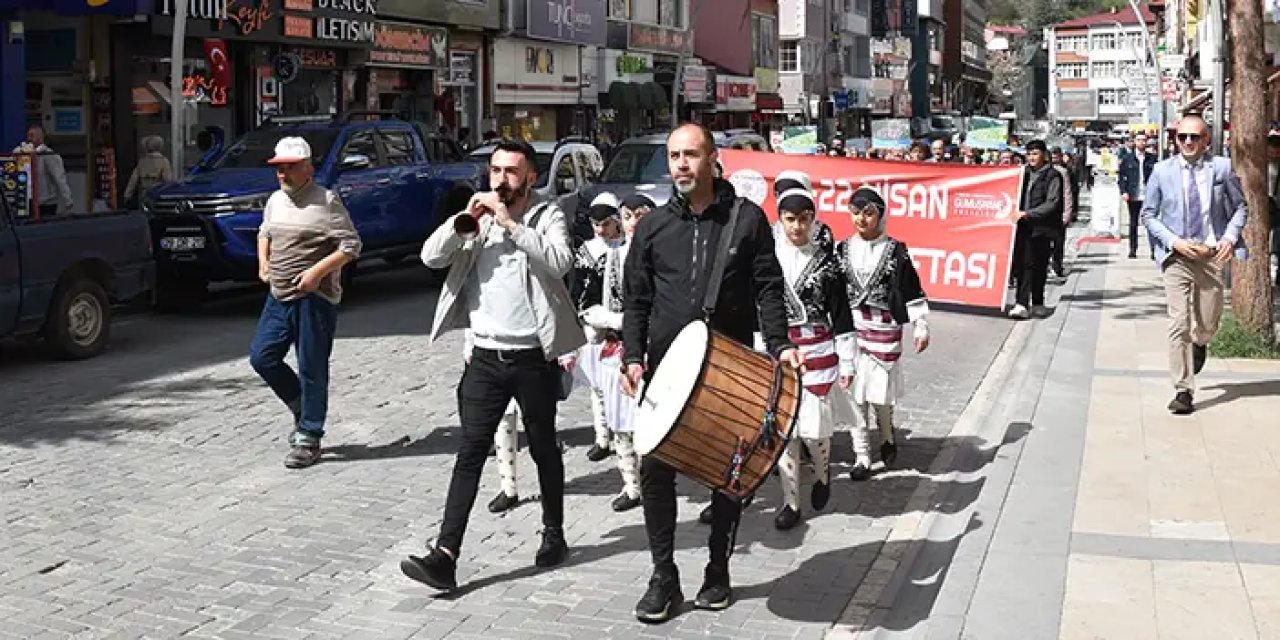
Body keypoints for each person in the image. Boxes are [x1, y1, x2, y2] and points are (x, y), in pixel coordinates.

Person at [620, 123, 802, 623]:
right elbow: (635, 298)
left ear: (712, 157)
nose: (681, 164)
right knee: (655, 471)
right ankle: (663, 575)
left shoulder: (746, 220)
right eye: (674, 155)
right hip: (664, 372)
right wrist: (632, 356)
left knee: (729, 473)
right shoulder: (654, 226)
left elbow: (768, 287)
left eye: (691, 155)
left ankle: (718, 568)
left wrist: (781, 346)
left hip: (729, 368)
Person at [402, 138, 584, 592]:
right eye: (496, 170)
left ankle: (553, 533)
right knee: (470, 452)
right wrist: (463, 222)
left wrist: (512, 226)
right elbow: (429, 257)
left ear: (531, 177)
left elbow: (561, 261)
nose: (501, 179)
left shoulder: (547, 214)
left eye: (512, 171)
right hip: (484, 355)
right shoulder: (476, 219)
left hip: (533, 357)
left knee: (543, 447)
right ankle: (445, 555)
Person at [249, 137, 362, 468]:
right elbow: (264, 233)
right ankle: (302, 405)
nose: (283, 173)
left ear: (308, 168)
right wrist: (263, 264)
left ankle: (309, 436)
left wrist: (316, 273)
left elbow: (351, 245)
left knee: (312, 366)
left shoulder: (326, 202)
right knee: (262, 356)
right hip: (278, 295)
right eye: (279, 168)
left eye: (290, 167)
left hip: (315, 297)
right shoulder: (274, 201)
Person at [761, 171, 856, 529]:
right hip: (780, 351)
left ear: (813, 219)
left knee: (815, 429)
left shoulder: (827, 262)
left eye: (804, 219)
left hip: (818, 351)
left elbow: (842, 314)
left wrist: (847, 359)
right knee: (786, 432)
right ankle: (791, 503)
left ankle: (822, 472)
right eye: (790, 219)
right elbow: (759, 307)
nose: (797, 227)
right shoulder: (767, 259)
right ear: (780, 218)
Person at [1140, 115, 1247, 415]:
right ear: (1175, 139)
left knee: (1209, 321)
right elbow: (1148, 215)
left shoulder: (1222, 169)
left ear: (1206, 140)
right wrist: (1173, 242)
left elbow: (1240, 206)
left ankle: (1201, 343)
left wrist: (1229, 237)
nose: (1188, 142)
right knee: (1178, 324)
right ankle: (1183, 390)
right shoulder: (1161, 171)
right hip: (1176, 256)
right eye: (1182, 136)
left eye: (1194, 137)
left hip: (1211, 255)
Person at [836, 187, 930, 478]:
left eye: (868, 213)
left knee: (879, 395)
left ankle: (887, 434)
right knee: (855, 395)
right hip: (851, 329)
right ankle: (862, 456)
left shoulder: (895, 250)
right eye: (856, 213)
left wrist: (920, 324)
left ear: (880, 215)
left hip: (884, 330)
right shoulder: (841, 250)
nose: (862, 220)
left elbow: (911, 287)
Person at [575, 193, 655, 512]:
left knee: (652, 418)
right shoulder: (608, 258)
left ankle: (653, 481)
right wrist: (615, 320)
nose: (633, 222)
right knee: (620, 420)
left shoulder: (662, 254)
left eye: (640, 215)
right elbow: (585, 303)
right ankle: (631, 484)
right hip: (616, 344)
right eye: (628, 216)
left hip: (653, 345)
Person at [1008, 140, 1064, 320]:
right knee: (1023, 265)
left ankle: (1038, 302)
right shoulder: (1022, 173)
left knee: (1039, 265)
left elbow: (1052, 203)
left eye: (1035, 153)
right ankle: (1021, 303)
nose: (1031, 157)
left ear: (1044, 155)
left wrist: (1029, 214)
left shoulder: (1053, 175)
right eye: (1029, 153)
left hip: (1042, 228)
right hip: (1022, 228)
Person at [15, 125, 74, 216]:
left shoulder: (50, 155)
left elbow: (59, 178)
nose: (29, 139)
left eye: (32, 136)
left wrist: (68, 199)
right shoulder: (22, 153)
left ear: (40, 138)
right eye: (28, 136)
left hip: (46, 202)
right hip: (26, 200)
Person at [1118, 132, 1157, 260]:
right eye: (1139, 140)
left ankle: (1153, 250)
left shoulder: (1152, 159)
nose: (1142, 142)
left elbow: (1157, 177)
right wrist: (1124, 191)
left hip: (1148, 195)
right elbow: (1121, 177)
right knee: (1133, 223)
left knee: (1150, 223)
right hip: (1133, 194)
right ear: (1135, 142)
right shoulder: (1127, 158)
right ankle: (1133, 249)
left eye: (1144, 140)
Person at [1049, 147, 1078, 279]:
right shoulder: (1045, 171)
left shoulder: (1065, 172)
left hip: (1060, 212)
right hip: (1046, 213)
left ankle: (1057, 266)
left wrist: (1069, 212)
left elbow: (1070, 192)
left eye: (1056, 157)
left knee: (1059, 242)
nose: (1054, 160)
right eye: (1052, 157)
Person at [123, 135, 174, 208]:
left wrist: (127, 195)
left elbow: (133, 180)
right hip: (158, 194)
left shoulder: (142, 162)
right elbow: (168, 180)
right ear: (160, 147)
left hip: (144, 194)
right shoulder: (164, 161)